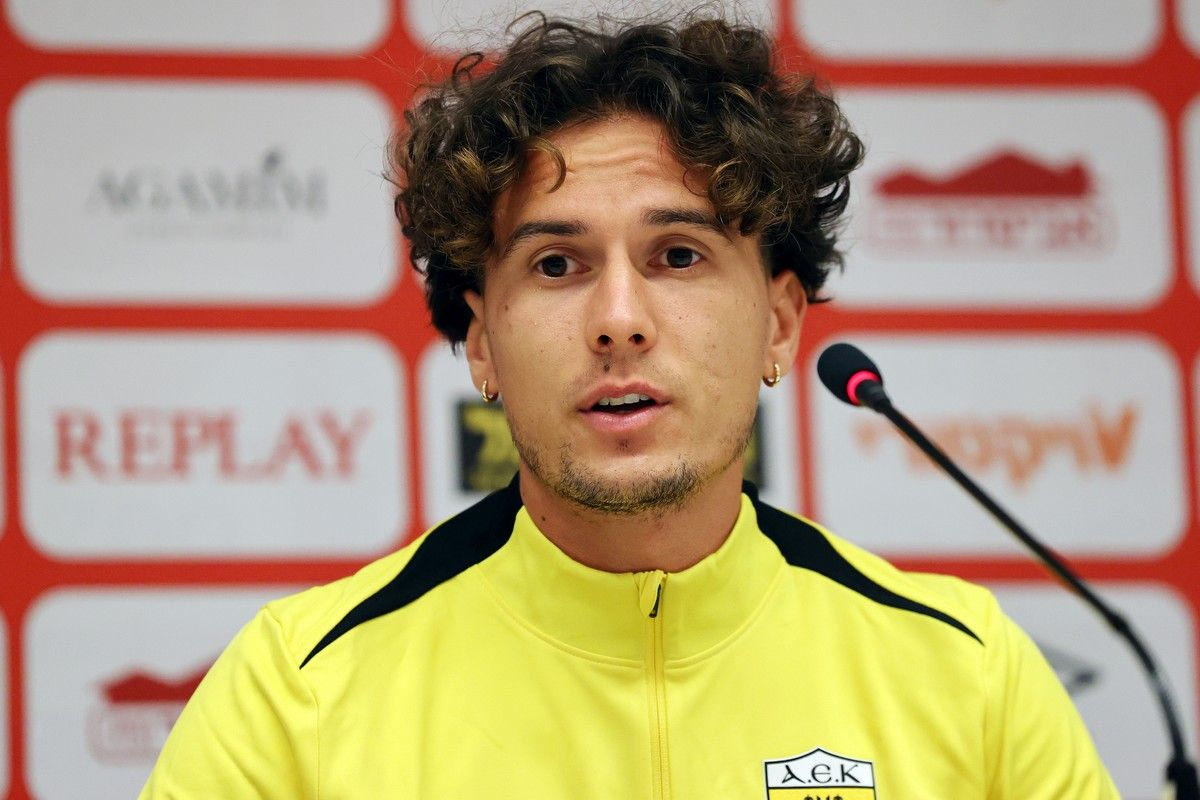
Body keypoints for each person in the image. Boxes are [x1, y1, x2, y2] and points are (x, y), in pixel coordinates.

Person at [140, 12, 1119, 798]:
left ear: (780, 324)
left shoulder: (969, 676)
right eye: (556, 264)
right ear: (481, 341)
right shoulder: (296, 693)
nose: (618, 321)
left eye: (678, 255)